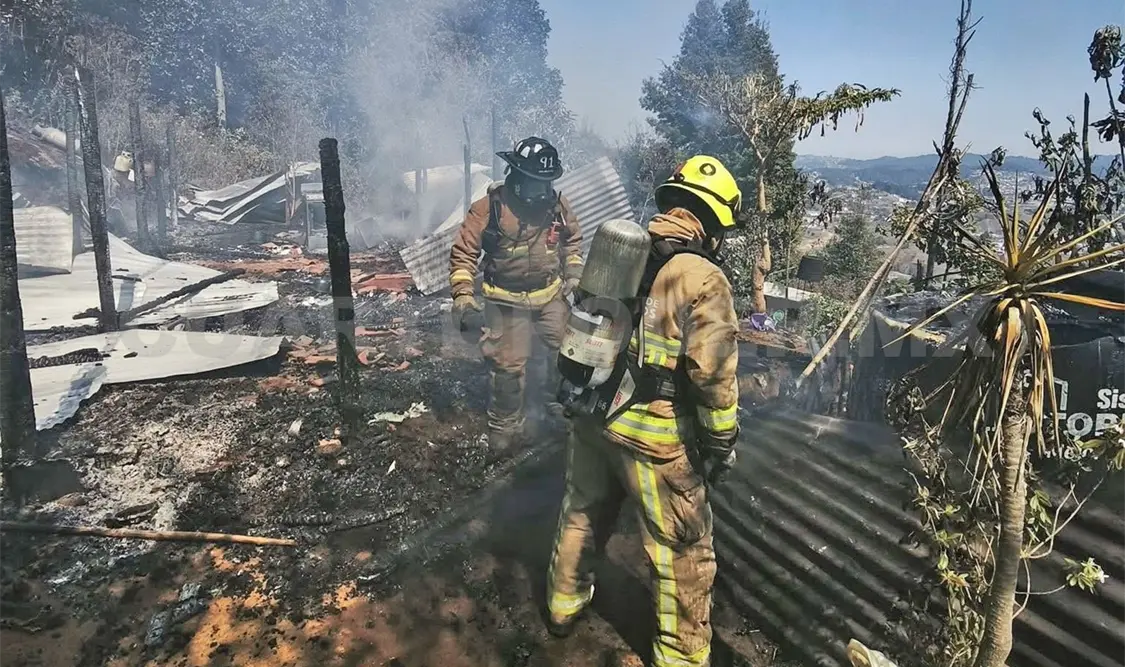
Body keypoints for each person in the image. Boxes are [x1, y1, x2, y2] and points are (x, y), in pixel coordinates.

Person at [544, 155, 743, 667]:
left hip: (592, 418)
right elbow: (712, 375)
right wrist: (720, 444)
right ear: (712, 223)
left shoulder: (621, 251)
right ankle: (679, 658)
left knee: (581, 514)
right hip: (655, 438)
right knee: (684, 552)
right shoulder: (702, 276)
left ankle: (562, 610)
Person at [448, 136, 585, 452]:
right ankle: (505, 428)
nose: (542, 192)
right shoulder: (490, 208)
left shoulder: (556, 206)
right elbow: (463, 255)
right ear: (516, 176)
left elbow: (572, 242)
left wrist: (574, 277)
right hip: (505, 299)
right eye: (536, 184)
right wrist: (464, 299)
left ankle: (555, 408)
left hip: (549, 294)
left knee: (566, 352)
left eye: (546, 184)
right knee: (509, 366)